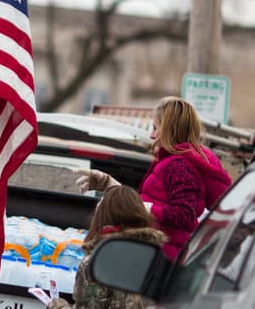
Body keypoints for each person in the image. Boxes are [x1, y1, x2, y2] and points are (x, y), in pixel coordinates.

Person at [75, 96, 232, 260]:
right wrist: (109, 185)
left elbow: (184, 215)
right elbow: (153, 203)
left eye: (155, 127)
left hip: (160, 257)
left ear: (169, 129)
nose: (151, 135)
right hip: (157, 252)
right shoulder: (175, 163)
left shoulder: (178, 166)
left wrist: (147, 208)